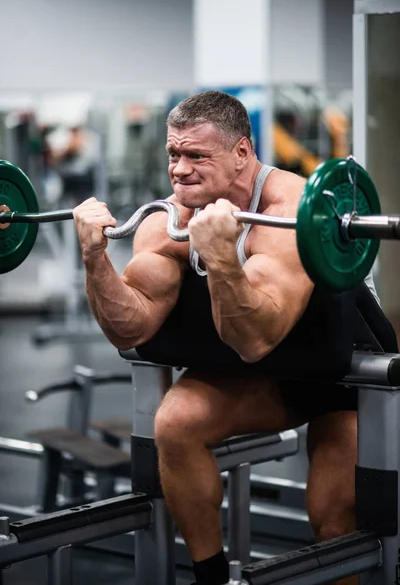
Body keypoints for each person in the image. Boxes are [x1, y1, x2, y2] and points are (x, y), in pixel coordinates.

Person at [73, 91, 390, 585]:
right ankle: (210, 576)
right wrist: (95, 262)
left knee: (332, 516)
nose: (179, 170)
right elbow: (131, 327)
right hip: (269, 370)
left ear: (242, 153)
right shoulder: (167, 222)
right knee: (175, 422)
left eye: (197, 156)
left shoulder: (289, 214)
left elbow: (254, 339)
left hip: (345, 376)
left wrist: (222, 256)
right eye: (174, 155)